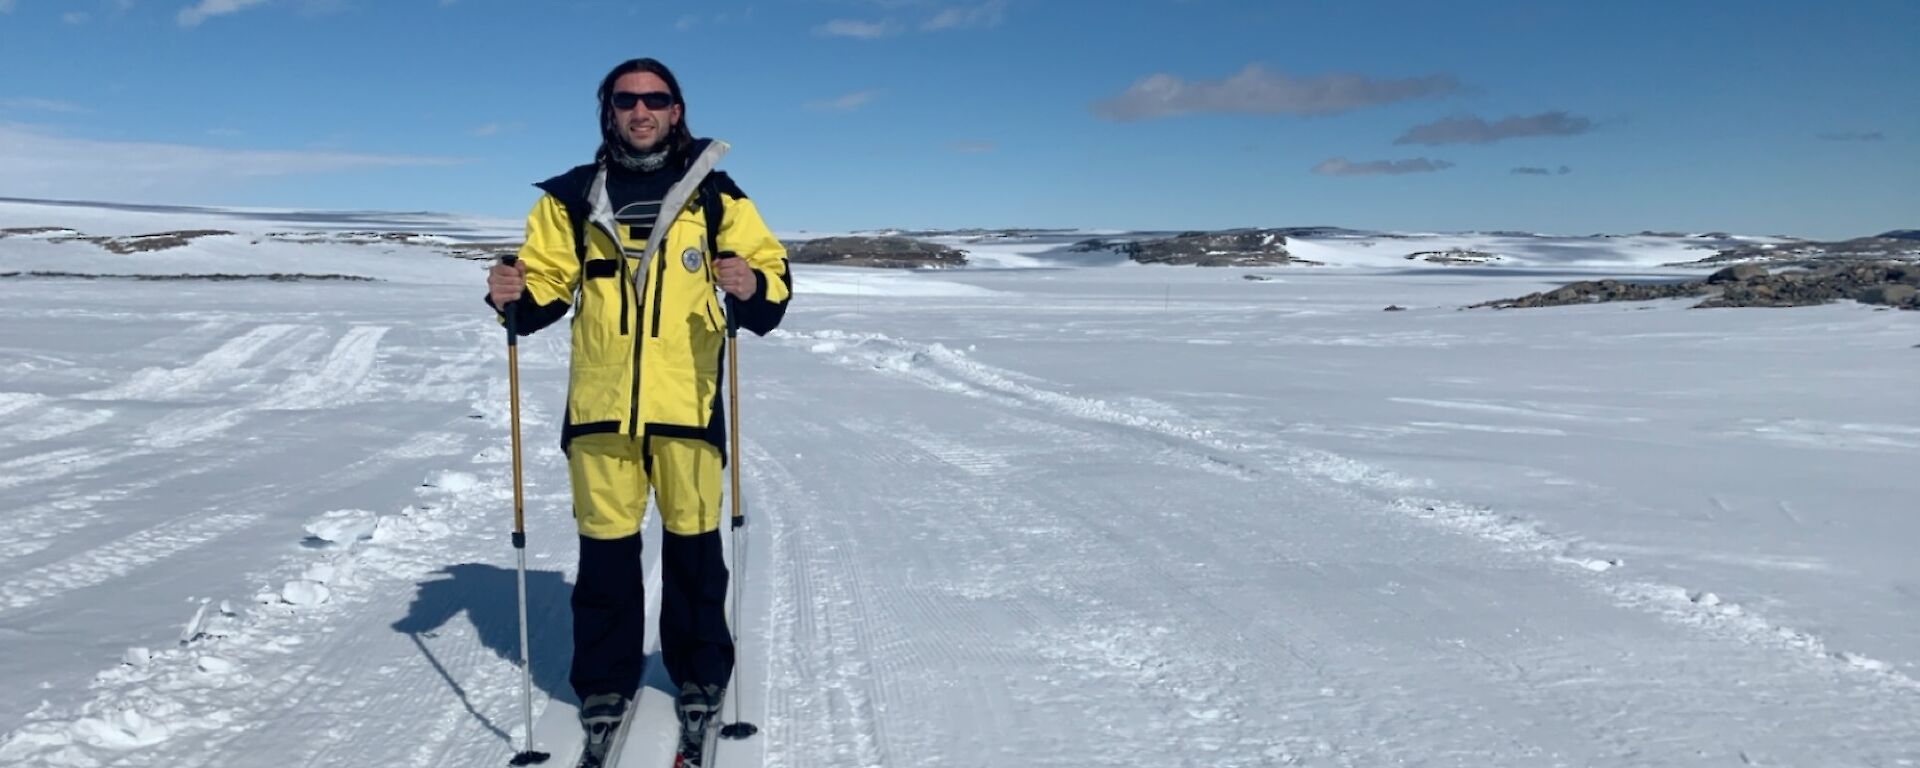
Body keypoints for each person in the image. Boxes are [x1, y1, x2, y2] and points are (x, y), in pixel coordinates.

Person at [486, 57, 791, 767]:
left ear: (677, 111)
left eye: (656, 99)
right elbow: (545, 291)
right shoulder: (569, 199)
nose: (642, 110)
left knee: (693, 551)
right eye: (627, 100)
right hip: (600, 412)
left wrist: (749, 282)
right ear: (610, 111)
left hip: (688, 402)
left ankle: (699, 677)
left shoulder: (717, 198)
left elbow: (771, 278)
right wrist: (511, 292)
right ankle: (604, 684)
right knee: (606, 557)